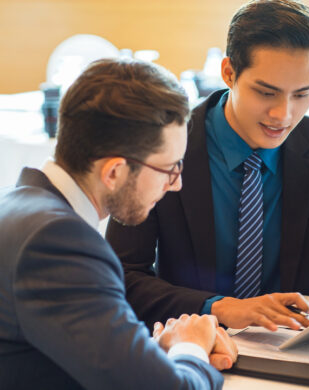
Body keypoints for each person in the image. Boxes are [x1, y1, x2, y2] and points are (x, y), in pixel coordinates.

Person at [106, 0, 309, 348]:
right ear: (228, 73)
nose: (283, 114)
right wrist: (220, 308)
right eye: (266, 92)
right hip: (190, 349)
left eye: (302, 94)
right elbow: (121, 277)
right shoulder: (162, 144)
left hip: (302, 356)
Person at [0, 58, 237, 389]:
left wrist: (150, 352)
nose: (177, 184)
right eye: (170, 168)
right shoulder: (58, 242)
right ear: (114, 172)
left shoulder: (19, 206)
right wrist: (191, 344)